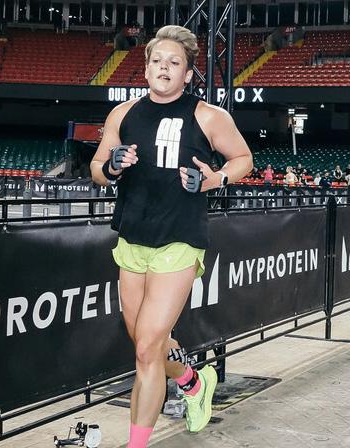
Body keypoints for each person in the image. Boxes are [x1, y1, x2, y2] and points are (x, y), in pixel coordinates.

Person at [89, 25, 253, 448]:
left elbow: (243, 159)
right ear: (145, 69)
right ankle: (193, 381)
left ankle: (137, 443)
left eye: (174, 62)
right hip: (132, 239)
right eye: (157, 60)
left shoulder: (209, 116)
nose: (164, 67)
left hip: (179, 239)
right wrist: (113, 166)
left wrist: (214, 179)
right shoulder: (122, 114)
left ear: (187, 74)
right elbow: (97, 169)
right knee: (146, 342)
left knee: (147, 349)